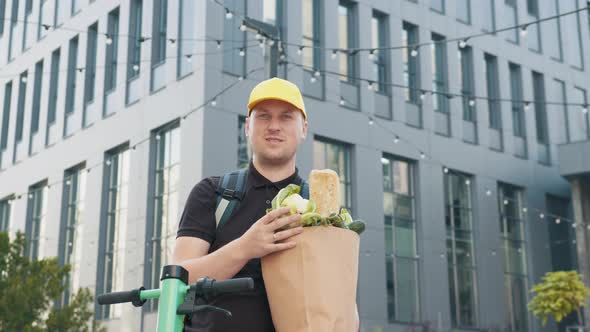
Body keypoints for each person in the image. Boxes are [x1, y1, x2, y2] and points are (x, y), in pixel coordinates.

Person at [173, 77, 359, 331]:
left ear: (304, 128)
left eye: (285, 117)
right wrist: (246, 247)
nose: (274, 126)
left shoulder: (323, 209)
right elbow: (177, 281)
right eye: (263, 116)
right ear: (247, 127)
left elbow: (340, 300)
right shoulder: (213, 193)